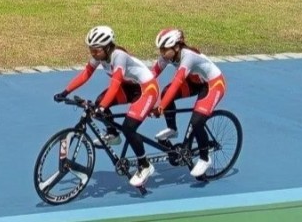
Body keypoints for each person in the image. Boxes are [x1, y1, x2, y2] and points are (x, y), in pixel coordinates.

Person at [53, 25, 160, 189]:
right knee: (97, 103)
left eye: (96, 50)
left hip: (147, 89)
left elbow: (115, 85)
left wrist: (102, 108)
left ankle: (145, 165)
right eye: (91, 50)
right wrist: (65, 91)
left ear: (108, 46)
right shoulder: (100, 55)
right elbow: (86, 74)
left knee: (129, 127)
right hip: (130, 87)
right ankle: (113, 134)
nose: (93, 54)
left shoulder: (119, 56)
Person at [150, 28, 227, 179]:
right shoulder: (168, 56)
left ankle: (205, 158)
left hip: (213, 84)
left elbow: (177, 83)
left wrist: (161, 107)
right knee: (165, 93)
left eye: (164, 49)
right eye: (160, 49)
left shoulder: (188, 57)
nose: (162, 53)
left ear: (177, 47)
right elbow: (151, 75)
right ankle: (172, 129)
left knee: (197, 121)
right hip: (195, 81)